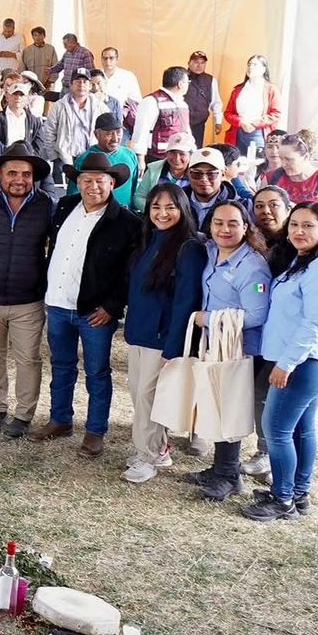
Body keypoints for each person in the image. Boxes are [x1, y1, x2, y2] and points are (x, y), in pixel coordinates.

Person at [242, 202, 318, 521]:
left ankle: (282, 499)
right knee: (301, 429)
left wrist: (285, 363)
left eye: (309, 226)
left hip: (305, 361)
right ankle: (298, 495)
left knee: (276, 428)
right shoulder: (302, 263)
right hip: (300, 359)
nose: (299, 231)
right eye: (295, 224)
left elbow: (316, 323)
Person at [36, 152, 142, 456]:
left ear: (112, 183)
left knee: (96, 372)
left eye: (100, 181)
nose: (93, 186)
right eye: (86, 180)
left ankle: (95, 430)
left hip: (95, 311)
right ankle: (60, 419)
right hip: (57, 303)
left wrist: (112, 306)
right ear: (77, 183)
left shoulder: (126, 222)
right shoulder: (66, 207)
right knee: (61, 365)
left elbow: (128, 273)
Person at [120, 183, 208, 483]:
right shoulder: (148, 240)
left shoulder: (189, 247)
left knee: (148, 397)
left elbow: (186, 300)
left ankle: (149, 456)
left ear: (182, 210)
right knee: (138, 393)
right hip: (140, 332)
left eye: (170, 207)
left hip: (163, 337)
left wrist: (174, 346)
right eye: (156, 207)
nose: (162, 213)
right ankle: (158, 448)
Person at [187, 200, 273, 500]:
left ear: (246, 227)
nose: (225, 229)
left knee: (231, 409)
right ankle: (220, 467)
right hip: (219, 346)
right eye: (219, 223)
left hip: (244, 349)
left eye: (233, 223)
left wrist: (206, 318)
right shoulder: (211, 251)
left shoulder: (252, 265)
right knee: (220, 405)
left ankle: (229, 474)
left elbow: (257, 315)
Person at [0, 143, 56, 436]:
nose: (19, 179)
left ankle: (23, 415)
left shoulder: (47, 204)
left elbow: (56, 248)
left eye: (26, 174)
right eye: (12, 173)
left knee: (28, 359)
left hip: (28, 300)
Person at [267, 131, 318, 227]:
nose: (283, 164)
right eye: (281, 158)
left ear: (306, 157)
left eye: (289, 159)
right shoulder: (272, 177)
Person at [69, 113, 137, 209]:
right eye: (109, 134)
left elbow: (134, 189)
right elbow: (73, 196)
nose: (115, 138)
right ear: (96, 134)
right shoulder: (84, 160)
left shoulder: (130, 155)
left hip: (125, 215)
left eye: (118, 132)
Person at [133, 67, 192, 163]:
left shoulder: (182, 104)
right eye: (187, 82)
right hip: (156, 158)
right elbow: (141, 132)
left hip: (179, 158)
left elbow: (186, 131)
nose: (188, 85)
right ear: (180, 84)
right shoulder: (151, 101)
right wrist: (140, 158)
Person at [183, 50, 224, 147]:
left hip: (199, 124)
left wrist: (218, 121)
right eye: (196, 62)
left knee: (196, 150)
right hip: (181, 122)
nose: (199, 65)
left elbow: (216, 102)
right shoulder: (181, 77)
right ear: (189, 63)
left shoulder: (210, 80)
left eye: (202, 63)